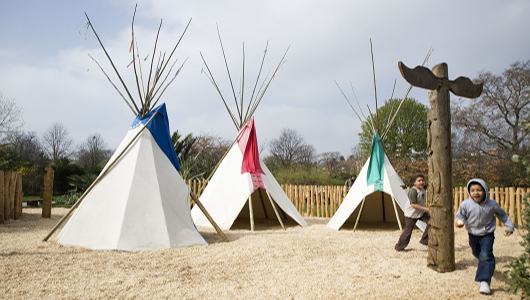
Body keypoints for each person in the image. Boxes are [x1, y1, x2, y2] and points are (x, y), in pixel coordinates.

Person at [455, 178, 514, 295]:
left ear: (485, 191)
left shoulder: (491, 204)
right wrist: (459, 221)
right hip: (473, 233)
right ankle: (488, 262)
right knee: (477, 253)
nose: (476, 193)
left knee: (485, 254)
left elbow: (502, 214)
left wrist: (509, 226)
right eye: (473, 190)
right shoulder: (465, 204)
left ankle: (485, 282)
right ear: (469, 192)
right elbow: (460, 215)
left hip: (487, 233)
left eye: (479, 190)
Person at [395, 174, 430, 252]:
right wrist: (426, 208)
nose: (421, 182)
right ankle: (399, 247)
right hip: (411, 214)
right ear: (414, 182)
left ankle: (425, 240)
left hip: (420, 212)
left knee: (432, 221)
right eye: (419, 181)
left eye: (423, 180)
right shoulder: (413, 191)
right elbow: (413, 204)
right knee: (408, 231)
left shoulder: (423, 188)